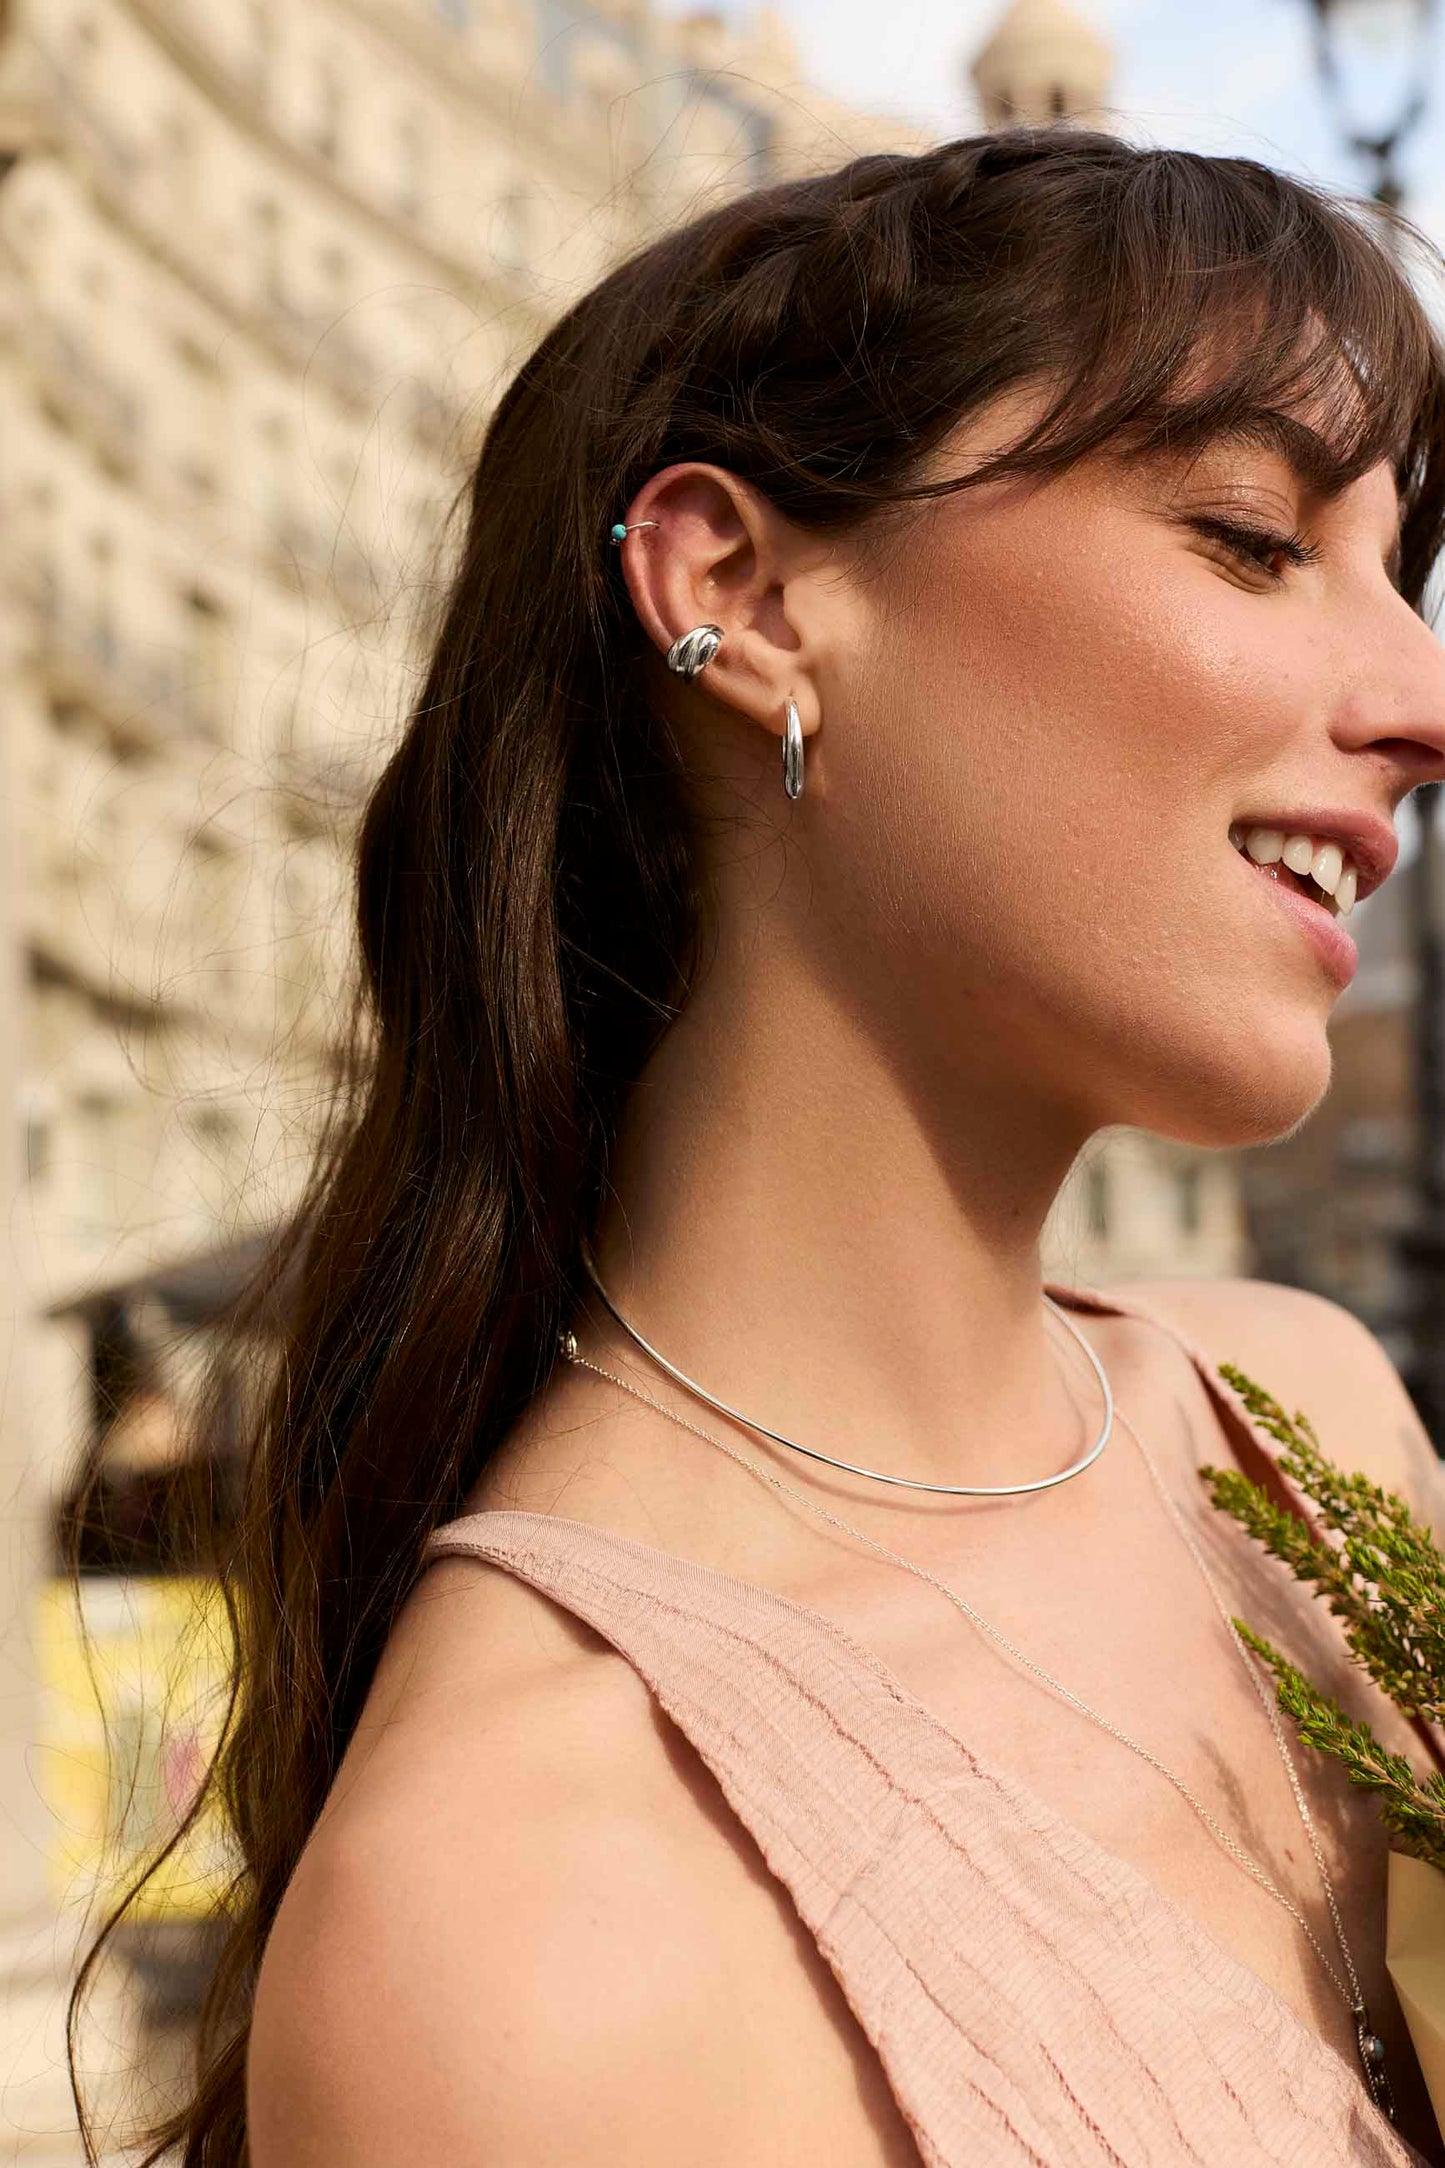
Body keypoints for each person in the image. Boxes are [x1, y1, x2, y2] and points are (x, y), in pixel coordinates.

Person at [114, 128, 1445, 2164]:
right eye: (1251, 538)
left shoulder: (1306, 1434)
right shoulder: (523, 1921)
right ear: (739, 597)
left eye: (1399, 573)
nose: (1424, 699)